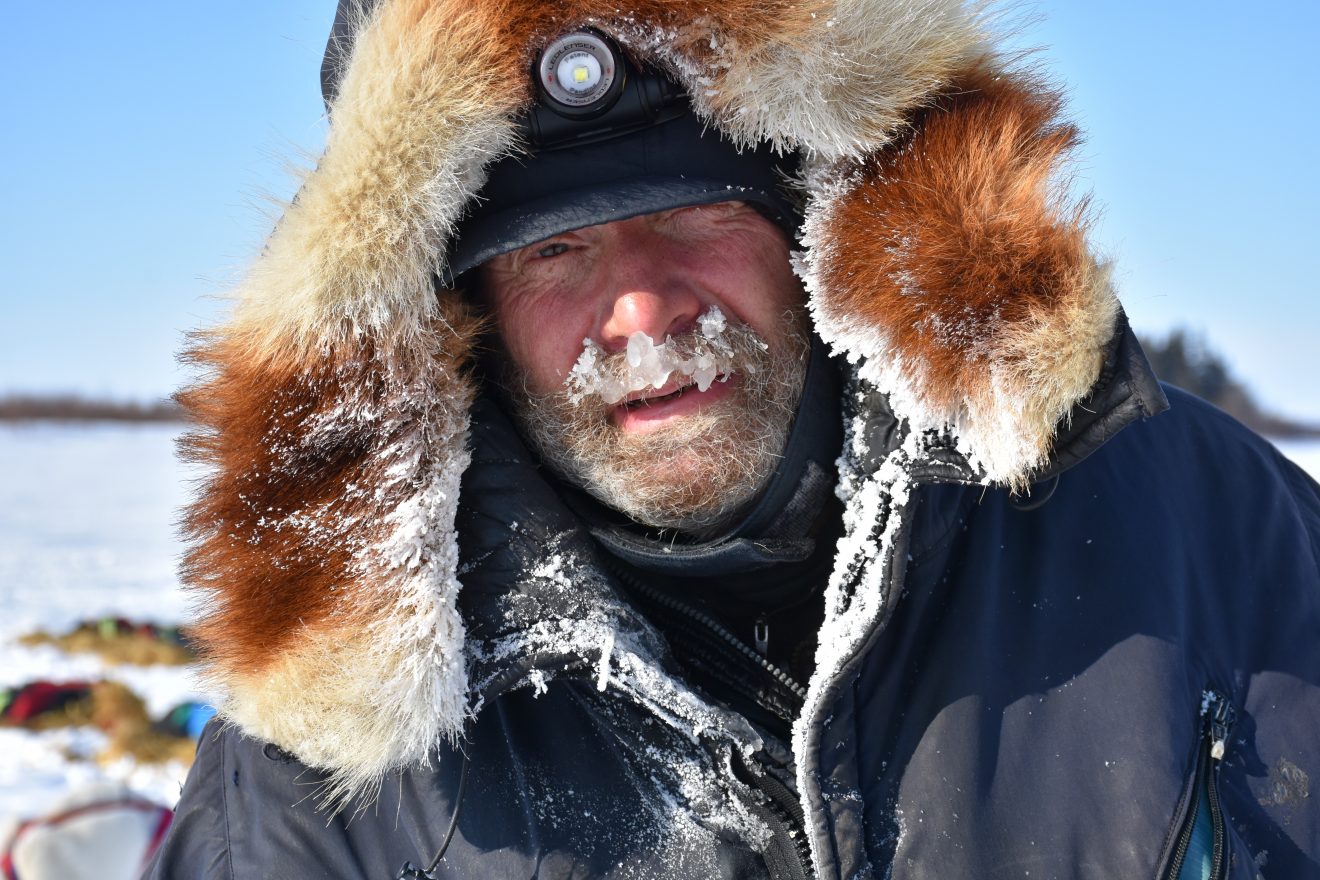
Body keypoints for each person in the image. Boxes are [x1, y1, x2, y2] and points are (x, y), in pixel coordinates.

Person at [147, 1, 1320, 878]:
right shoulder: (322, 788)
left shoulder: (1220, 536)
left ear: (822, 216)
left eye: (701, 212)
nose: (646, 312)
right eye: (554, 251)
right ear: (457, 318)